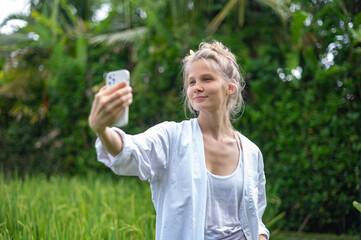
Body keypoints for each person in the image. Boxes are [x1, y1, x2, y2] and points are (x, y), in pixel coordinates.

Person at [88, 40, 269, 240]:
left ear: (230, 87)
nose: (197, 87)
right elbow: (129, 151)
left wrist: (260, 235)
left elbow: (255, 217)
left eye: (206, 79)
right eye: (192, 82)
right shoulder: (171, 138)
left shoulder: (251, 152)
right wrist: (102, 129)